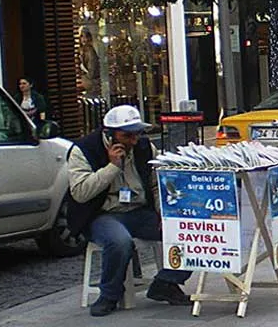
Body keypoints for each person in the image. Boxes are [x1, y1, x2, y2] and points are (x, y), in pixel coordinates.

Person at [67, 105, 192, 317]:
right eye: (127, 135)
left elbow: (156, 183)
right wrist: (112, 167)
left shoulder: (145, 147)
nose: (134, 140)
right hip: (102, 213)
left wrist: (164, 212)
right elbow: (80, 193)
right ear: (109, 134)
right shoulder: (83, 150)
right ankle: (109, 294)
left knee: (190, 231)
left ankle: (166, 282)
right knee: (119, 241)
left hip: (139, 209)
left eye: (137, 134)